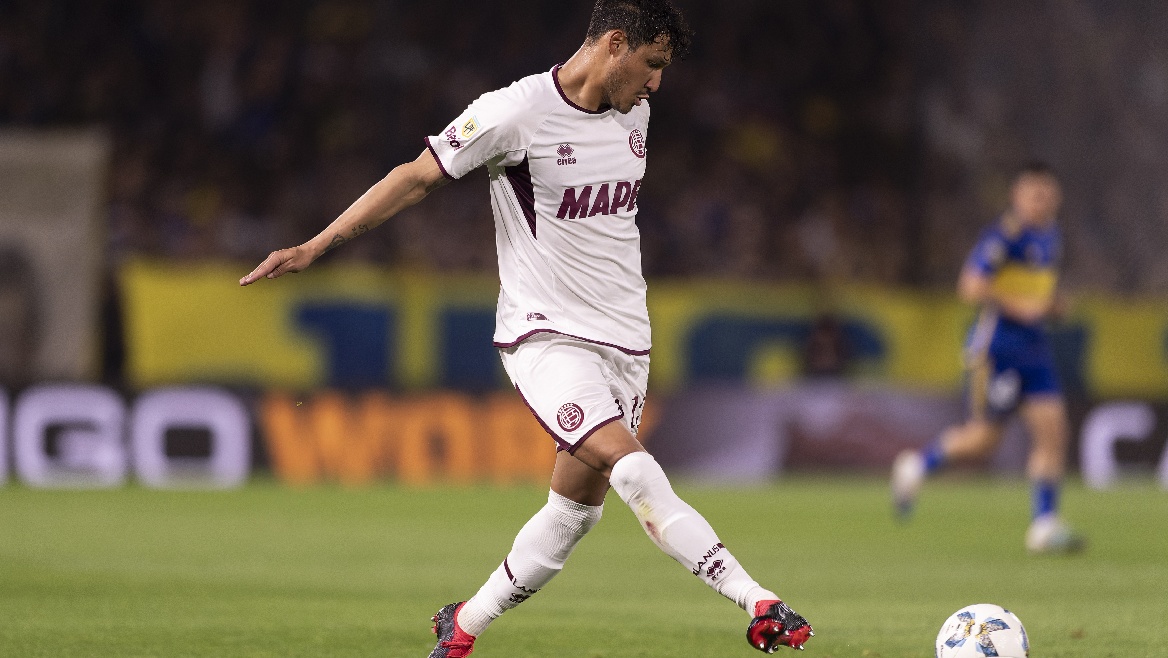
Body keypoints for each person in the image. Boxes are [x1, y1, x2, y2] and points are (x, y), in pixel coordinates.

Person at [240, 1, 813, 655]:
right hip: (547, 337)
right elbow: (415, 177)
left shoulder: (636, 116)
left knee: (572, 516)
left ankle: (461, 628)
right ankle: (758, 601)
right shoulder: (514, 113)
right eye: (653, 66)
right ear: (615, 45)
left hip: (628, 342)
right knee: (634, 471)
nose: (657, 84)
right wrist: (317, 245)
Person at [891, 162, 1084, 554]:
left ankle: (1044, 524)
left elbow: (1036, 293)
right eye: (1033, 193)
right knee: (982, 441)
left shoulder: (1052, 236)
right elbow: (971, 286)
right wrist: (1021, 307)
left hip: (1035, 348)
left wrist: (1050, 306)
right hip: (998, 350)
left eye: (1046, 194)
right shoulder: (1004, 236)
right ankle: (916, 465)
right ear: (1017, 195)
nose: (1040, 201)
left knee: (1053, 429)